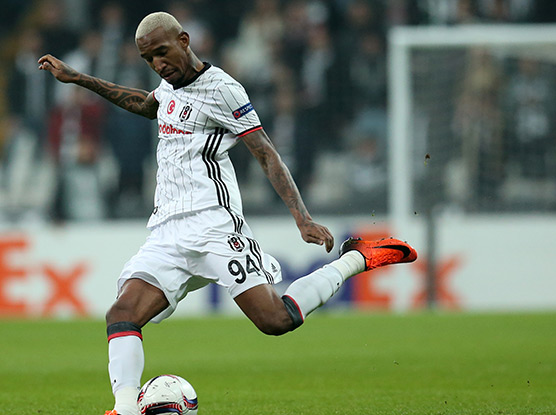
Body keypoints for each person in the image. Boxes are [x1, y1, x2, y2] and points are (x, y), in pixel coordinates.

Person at [38, 12, 417, 415]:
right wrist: (80, 79)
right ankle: (125, 409)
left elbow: (266, 153)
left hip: (215, 227)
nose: (158, 65)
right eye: (149, 59)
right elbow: (149, 105)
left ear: (184, 40)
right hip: (167, 231)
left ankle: (355, 258)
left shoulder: (222, 90)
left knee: (276, 320)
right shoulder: (168, 86)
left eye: (162, 53)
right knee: (122, 313)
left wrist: (302, 218)